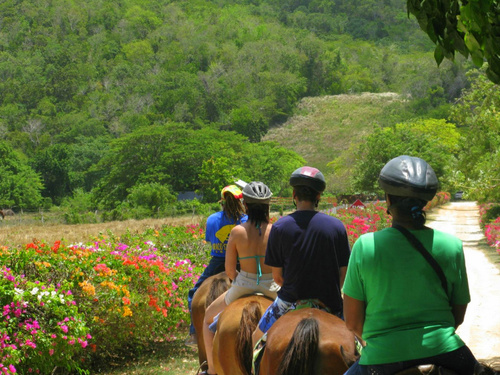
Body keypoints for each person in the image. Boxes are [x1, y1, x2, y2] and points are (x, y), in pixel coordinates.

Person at [343, 155, 479, 375]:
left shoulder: (365, 246)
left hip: (382, 357)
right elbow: (458, 314)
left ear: (388, 200)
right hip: (446, 350)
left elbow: (352, 322)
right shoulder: (452, 245)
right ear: (426, 201)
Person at [253, 166, 351, 347]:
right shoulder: (337, 227)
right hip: (331, 303)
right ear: (319, 196)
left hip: (288, 302)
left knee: (254, 341)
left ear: (294, 194)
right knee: (359, 345)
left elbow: (277, 277)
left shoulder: (279, 227)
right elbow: (342, 274)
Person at [200, 181, 279, 375]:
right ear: (268, 205)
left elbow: (229, 270)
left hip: (243, 284)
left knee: (207, 318)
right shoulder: (276, 230)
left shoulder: (237, 232)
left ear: (245, 205)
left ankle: (210, 369)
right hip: (272, 286)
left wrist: (239, 279)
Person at [185, 185, 247, 346]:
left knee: (194, 293)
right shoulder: (246, 220)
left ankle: (193, 332)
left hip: (218, 262)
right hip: (241, 263)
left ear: (222, 201)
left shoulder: (212, 219)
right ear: (241, 201)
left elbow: (211, 241)